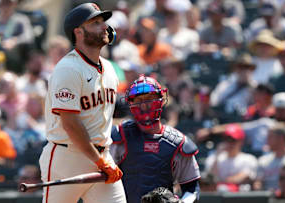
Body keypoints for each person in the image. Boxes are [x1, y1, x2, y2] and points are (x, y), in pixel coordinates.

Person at [39, 3, 126, 203]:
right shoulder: (68, 68)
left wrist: (102, 159)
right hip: (68, 156)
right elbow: (70, 124)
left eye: (103, 22)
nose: (104, 26)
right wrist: (99, 161)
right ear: (78, 32)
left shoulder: (110, 69)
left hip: (102, 155)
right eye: (95, 23)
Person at [111, 75, 200, 203]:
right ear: (130, 104)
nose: (144, 105)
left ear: (161, 100)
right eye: (138, 100)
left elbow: (192, 188)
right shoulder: (119, 136)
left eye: (149, 99)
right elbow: (103, 182)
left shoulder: (177, 142)